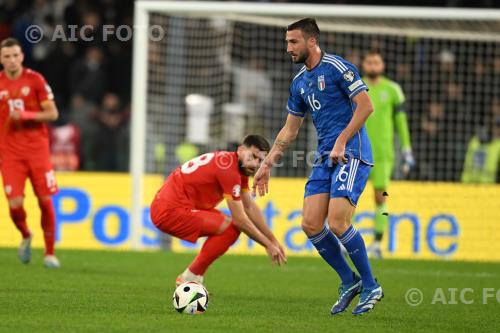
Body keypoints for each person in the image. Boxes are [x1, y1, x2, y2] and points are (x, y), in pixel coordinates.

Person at [253, 18, 382, 316]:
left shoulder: (339, 68)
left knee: (337, 222)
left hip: (351, 151)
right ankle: (349, 281)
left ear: (312, 41)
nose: (288, 48)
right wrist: (267, 164)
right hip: (325, 156)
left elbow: (366, 106)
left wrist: (341, 141)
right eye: (287, 42)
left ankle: (371, 284)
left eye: (293, 42)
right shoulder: (299, 82)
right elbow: (289, 130)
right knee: (310, 223)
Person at [150, 135, 286, 286]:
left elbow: (249, 206)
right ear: (240, 150)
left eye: (260, 160)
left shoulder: (235, 165)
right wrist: (267, 244)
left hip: (173, 206)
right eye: (253, 156)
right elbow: (240, 220)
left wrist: (273, 240)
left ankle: (192, 277)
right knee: (231, 227)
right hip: (170, 211)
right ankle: (190, 277)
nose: (255, 164)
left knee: (231, 227)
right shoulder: (229, 170)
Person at [0, 37, 60, 268]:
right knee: (14, 204)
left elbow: (52, 114)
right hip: (10, 153)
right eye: (7, 56)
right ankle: (26, 234)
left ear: (22, 56)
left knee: (45, 201)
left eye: (16, 55)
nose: (12, 60)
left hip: (37, 151)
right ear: (1, 59)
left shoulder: (35, 80)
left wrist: (26, 116)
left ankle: (49, 253)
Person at [361, 51, 415, 258]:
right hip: (358, 152)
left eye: (376, 61)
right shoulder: (356, 87)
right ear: (364, 64)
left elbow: (401, 123)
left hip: (383, 155)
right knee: (348, 196)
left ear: (382, 65)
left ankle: (376, 242)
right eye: (369, 61)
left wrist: (407, 149)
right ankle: (347, 239)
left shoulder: (393, 89)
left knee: (381, 197)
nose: (373, 65)